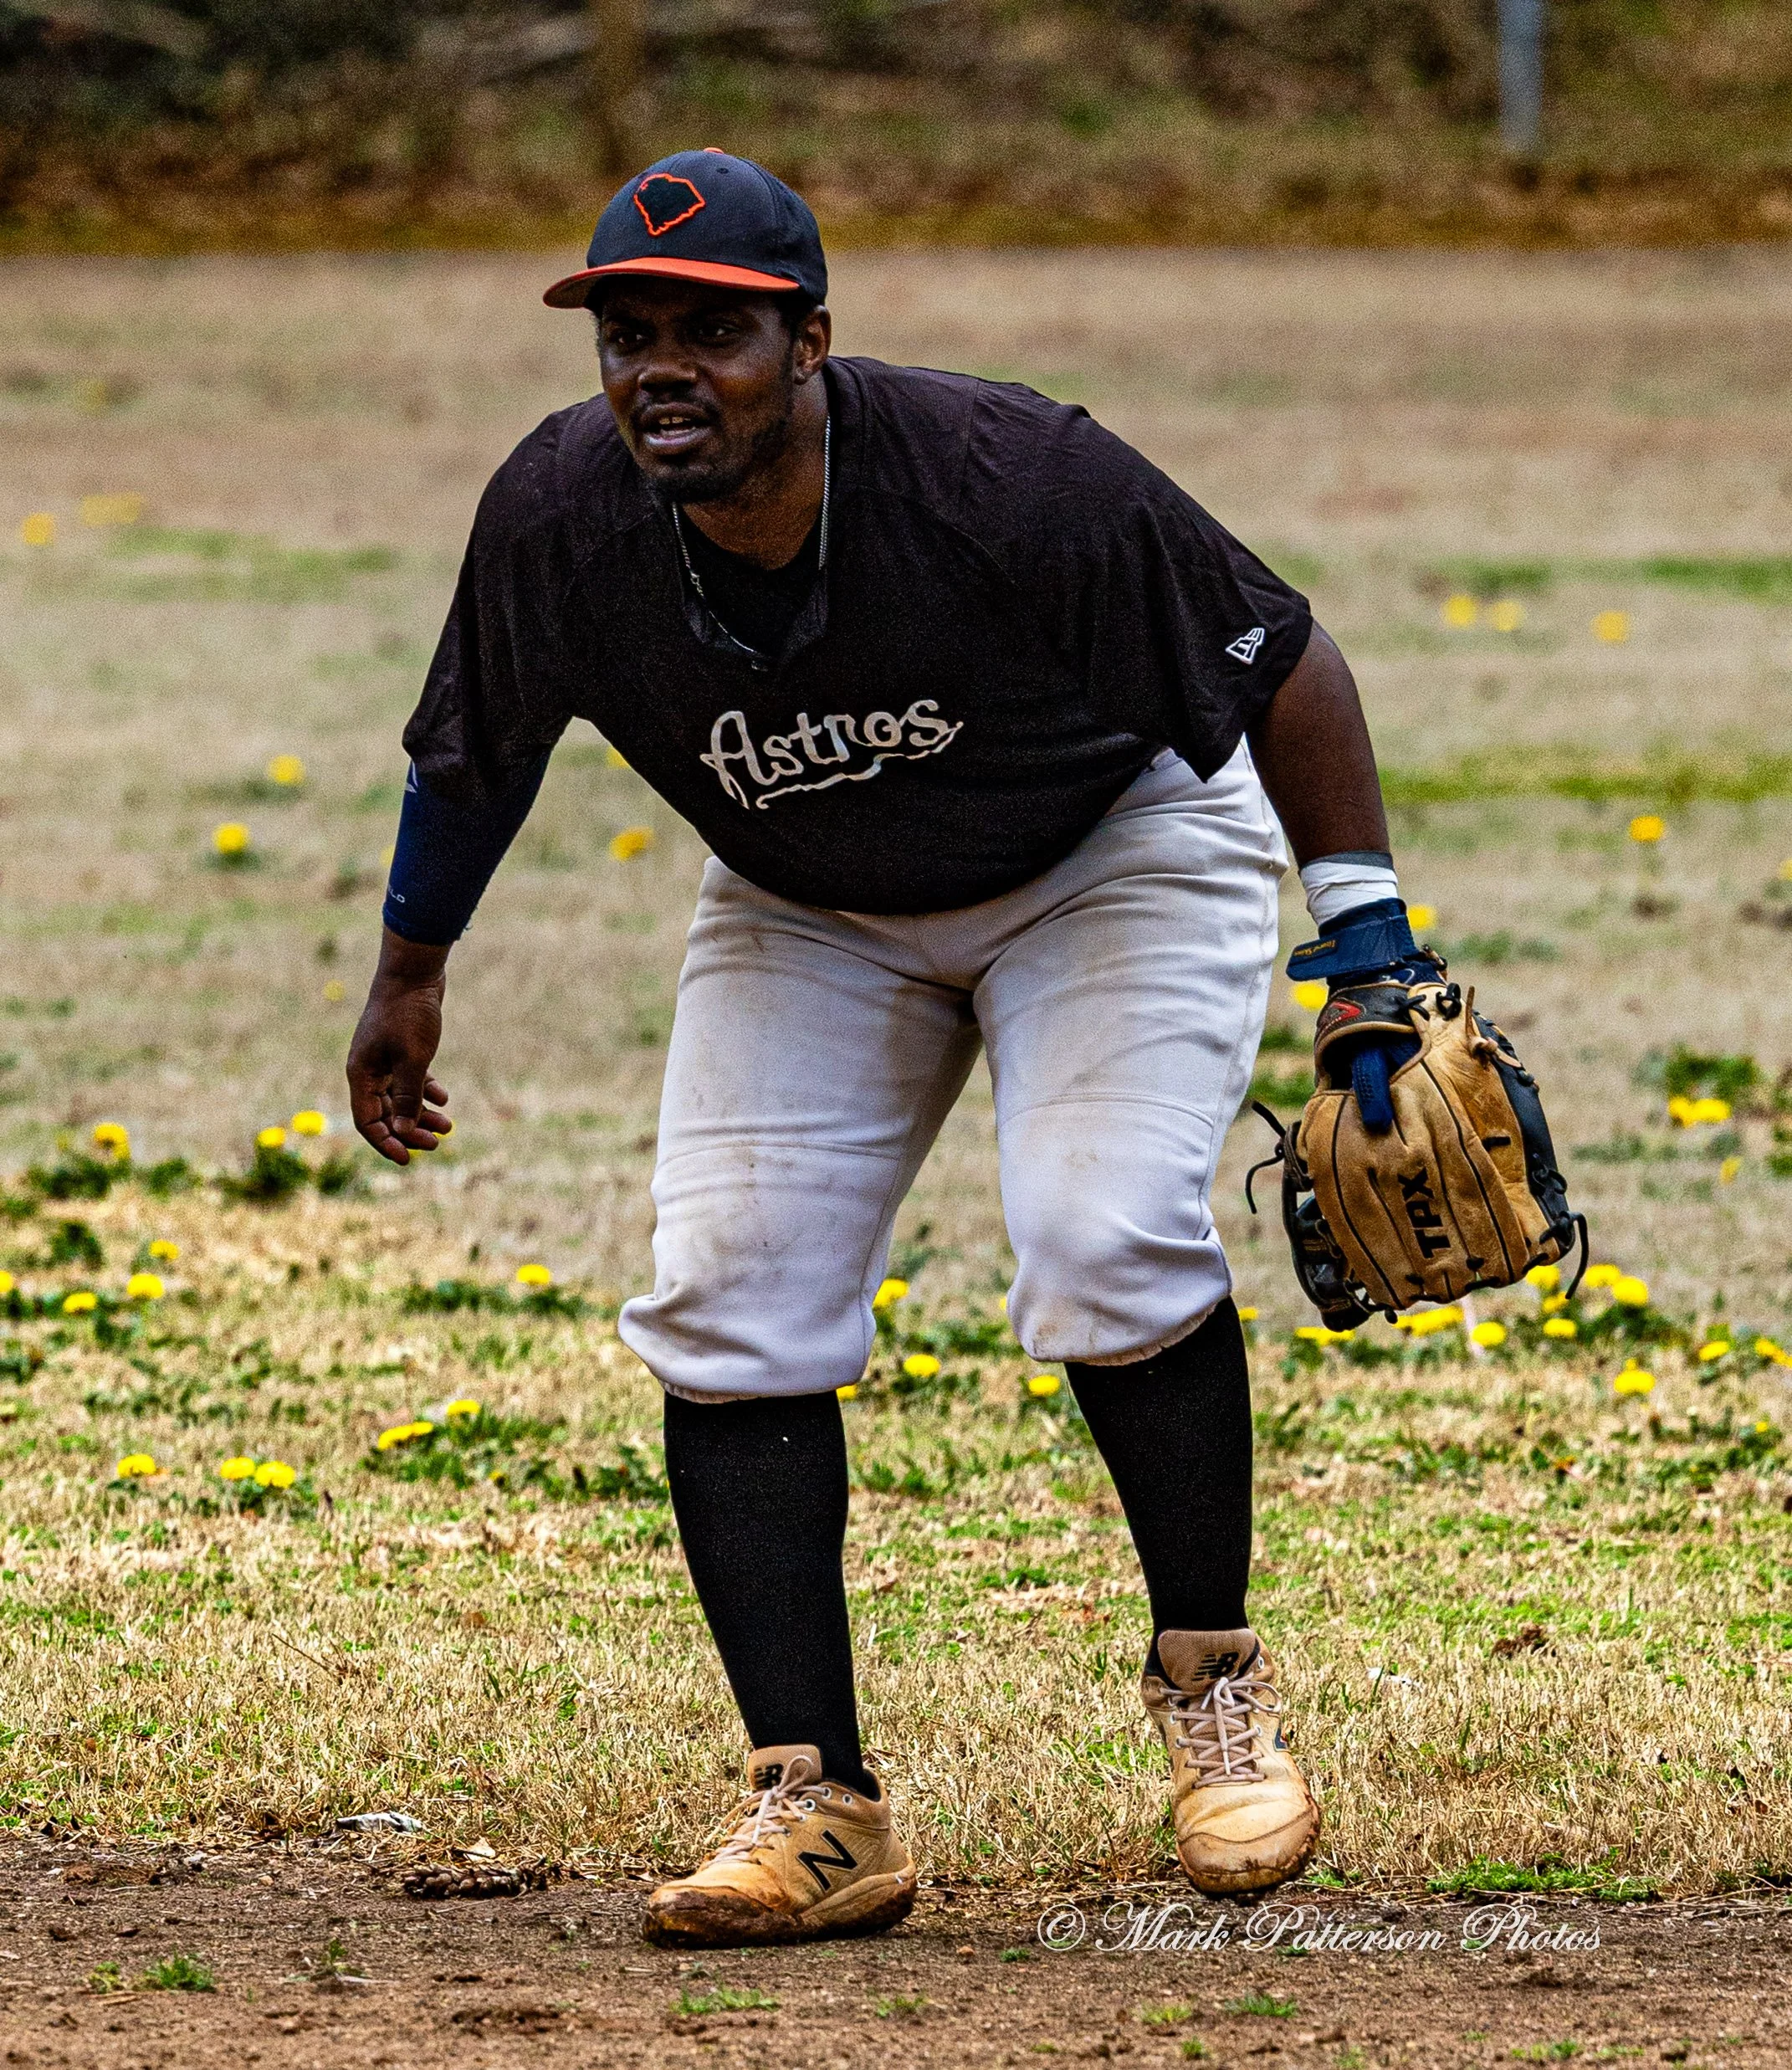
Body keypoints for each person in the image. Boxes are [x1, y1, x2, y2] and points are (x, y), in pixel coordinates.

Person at [347, 149, 1413, 1949]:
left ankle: (1214, 1691)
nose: (661, 368)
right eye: (629, 333)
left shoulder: (1010, 477)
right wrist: (408, 973)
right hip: (809, 899)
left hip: (1114, 853)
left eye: (716, 333)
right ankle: (818, 1798)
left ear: (813, 344)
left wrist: (1370, 951)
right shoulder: (561, 513)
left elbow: (1282, 661)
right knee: (728, 1292)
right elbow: (479, 747)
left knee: (1099, 1234)